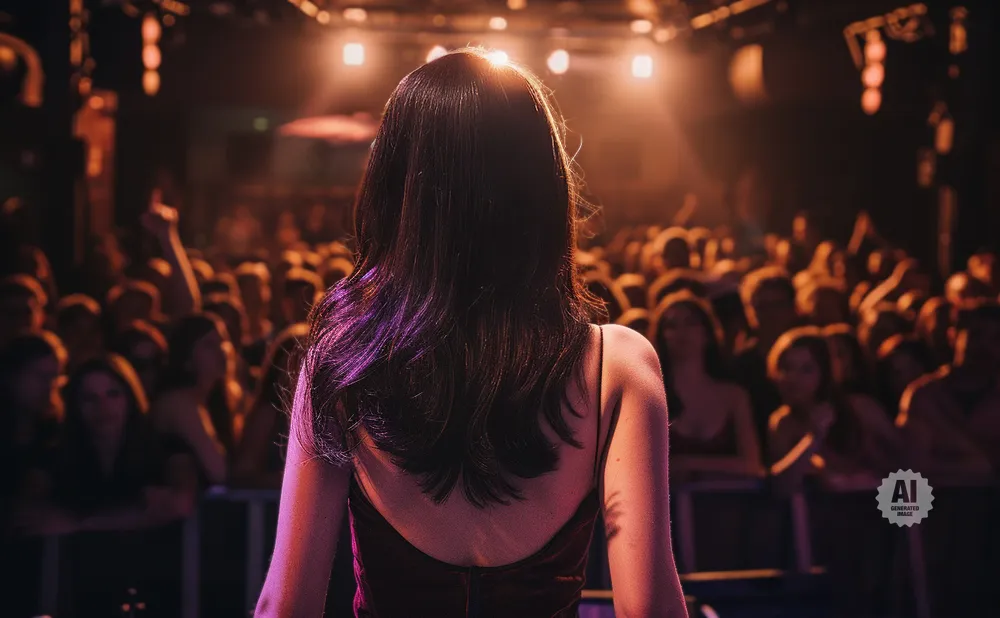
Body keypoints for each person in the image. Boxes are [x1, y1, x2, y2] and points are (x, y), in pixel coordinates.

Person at [257, 50, 687, 618]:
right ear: (544, 186)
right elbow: (650, 610)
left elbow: (285, 607)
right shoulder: (619, 366)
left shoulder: (344, 362)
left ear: (398, 189)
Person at [650, 292, 762, 481]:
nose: (681, 332)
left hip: (726, 506)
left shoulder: (733, 396)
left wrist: (689, 463)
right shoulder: (648, 397)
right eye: (671, 325)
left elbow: (752, 465)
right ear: (661, 336)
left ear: (707, 333)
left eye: (691, 323)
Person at [150, 314, 231, 485]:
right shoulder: (179, 403)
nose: (221, 351)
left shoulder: (212, 402)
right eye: (209, 345)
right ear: (186, 358)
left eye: (222, 342)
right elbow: (218, 471)